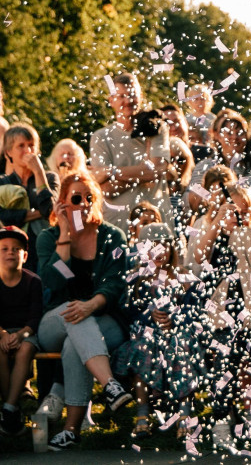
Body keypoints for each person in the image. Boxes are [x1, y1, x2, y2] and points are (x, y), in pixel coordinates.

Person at [35, 172, 131, 450]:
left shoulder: (112, 236)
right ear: (63, 203)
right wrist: (65, 234)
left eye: (90, 197)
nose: (85, 203)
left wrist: (91, 304)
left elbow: (116, 283)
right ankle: (110, 384)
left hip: (103, 319)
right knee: (73, 312)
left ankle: (71, 430)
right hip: (55, 322)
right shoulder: (48, 238)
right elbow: (53, 283)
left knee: (74, 339)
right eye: (76, 198)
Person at [190, 181, 251, 453]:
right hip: (225, 314)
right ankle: (221, 421)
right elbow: (199, 256)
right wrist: (217, 222)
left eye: (243, 213)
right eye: (232, 212)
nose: (237, 217)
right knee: (224, 366)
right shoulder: (216, 237)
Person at [113, 223, 198, 440]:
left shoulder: (183, 277)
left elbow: (195, 311)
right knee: (143, 347)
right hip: (146, 336)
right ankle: (143, 413)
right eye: (152, 246)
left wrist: (175, 320)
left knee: (180, 347)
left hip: (179, 335)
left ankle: (184, 414)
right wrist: (149, 315)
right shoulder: (136, 279)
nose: (159, 251)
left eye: (163, 245)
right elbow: (127, 312)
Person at [89, 72, 172, 235]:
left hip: (155, 227)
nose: (127, 101)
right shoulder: (101, 137)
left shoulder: (156, 128)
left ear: (141, 97)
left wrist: (111, 171)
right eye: (121, 96)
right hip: (116, 228)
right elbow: (106, 189)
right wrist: (142, 172)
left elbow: (154, 171)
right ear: (111, 100)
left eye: (132, 95)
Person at [0, 226, 42, 437]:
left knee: (25, 350)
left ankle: (8, 407)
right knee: (0, 352)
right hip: (1, 332)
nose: (10, 252)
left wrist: (20, 335)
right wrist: (3, 334)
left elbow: (35, 318)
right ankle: (11, 406)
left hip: (26, 332)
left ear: (24, 256)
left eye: (16, 249)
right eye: (4, 248)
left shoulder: (33, 281)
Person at [1, 124, 59, 271]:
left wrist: (39, 172)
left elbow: (50, 211)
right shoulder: (3, 182)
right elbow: (4, 218)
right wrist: (38, 213)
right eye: (21, 146)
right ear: (9, 152)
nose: (28, 150)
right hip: (13, 253)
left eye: (31, 145)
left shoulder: (50, 178)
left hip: (45, 249)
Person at [191, 109, 251, 209]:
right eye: (229, 133)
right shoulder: (204, 167)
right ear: (218, 136)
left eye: (240, 133)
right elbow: (192, 201)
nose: (234, 137)